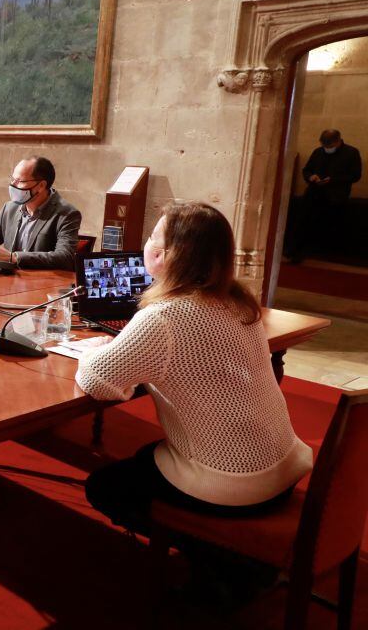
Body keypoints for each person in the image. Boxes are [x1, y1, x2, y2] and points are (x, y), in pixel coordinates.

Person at [78, 202, 312, 541]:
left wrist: (93, 350)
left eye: (153, 236)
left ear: (165, 255)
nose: (148, 242)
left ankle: (211, 551)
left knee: (103, 486)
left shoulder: (164, 317)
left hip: (231, 487)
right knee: (147, 456)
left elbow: (97, 382)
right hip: (283, 470)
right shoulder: (238, 302)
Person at [0, 156, 80, 270]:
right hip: (7, 282)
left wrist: (14, 257)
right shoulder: (10, 208)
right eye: (12, 179)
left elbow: (65, 257)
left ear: (41, 185)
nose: (12, 185)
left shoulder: (66, 214)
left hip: (42, 284)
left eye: (19, 181)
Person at [286, 129, 362, 263]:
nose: (327, 149)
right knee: (302, 222)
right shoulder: (318, 152)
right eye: (325, 146)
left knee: (327, 227)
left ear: (338, 141)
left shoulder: (351, 153)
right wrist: (311, 177)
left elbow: (355, 176)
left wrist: (333, 180)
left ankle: (323, 255)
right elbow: (307, 170)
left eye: (330, 146)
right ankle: (295, 253)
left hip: (335, 196)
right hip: (314, 193)